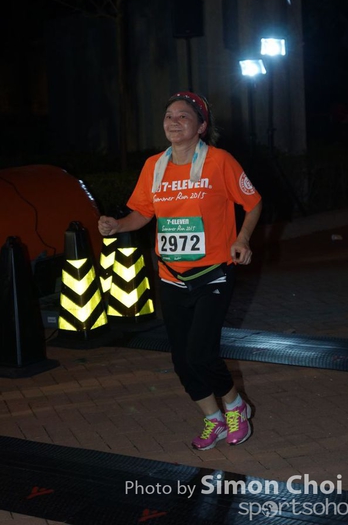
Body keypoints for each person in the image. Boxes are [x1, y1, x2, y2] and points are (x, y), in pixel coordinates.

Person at [98, 91, 262, 450]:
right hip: (171, 275)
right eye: (169, 115)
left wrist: (243, 239)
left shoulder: (220, 161)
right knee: (181, 359)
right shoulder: (154, 166)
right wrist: (117, 225)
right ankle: (213, 419)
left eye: (183, 116)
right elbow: (143, 213)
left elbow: (253, 203)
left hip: (213, 272)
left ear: (201, 126)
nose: (173, 121)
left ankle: (235, 406)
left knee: (201, 352)